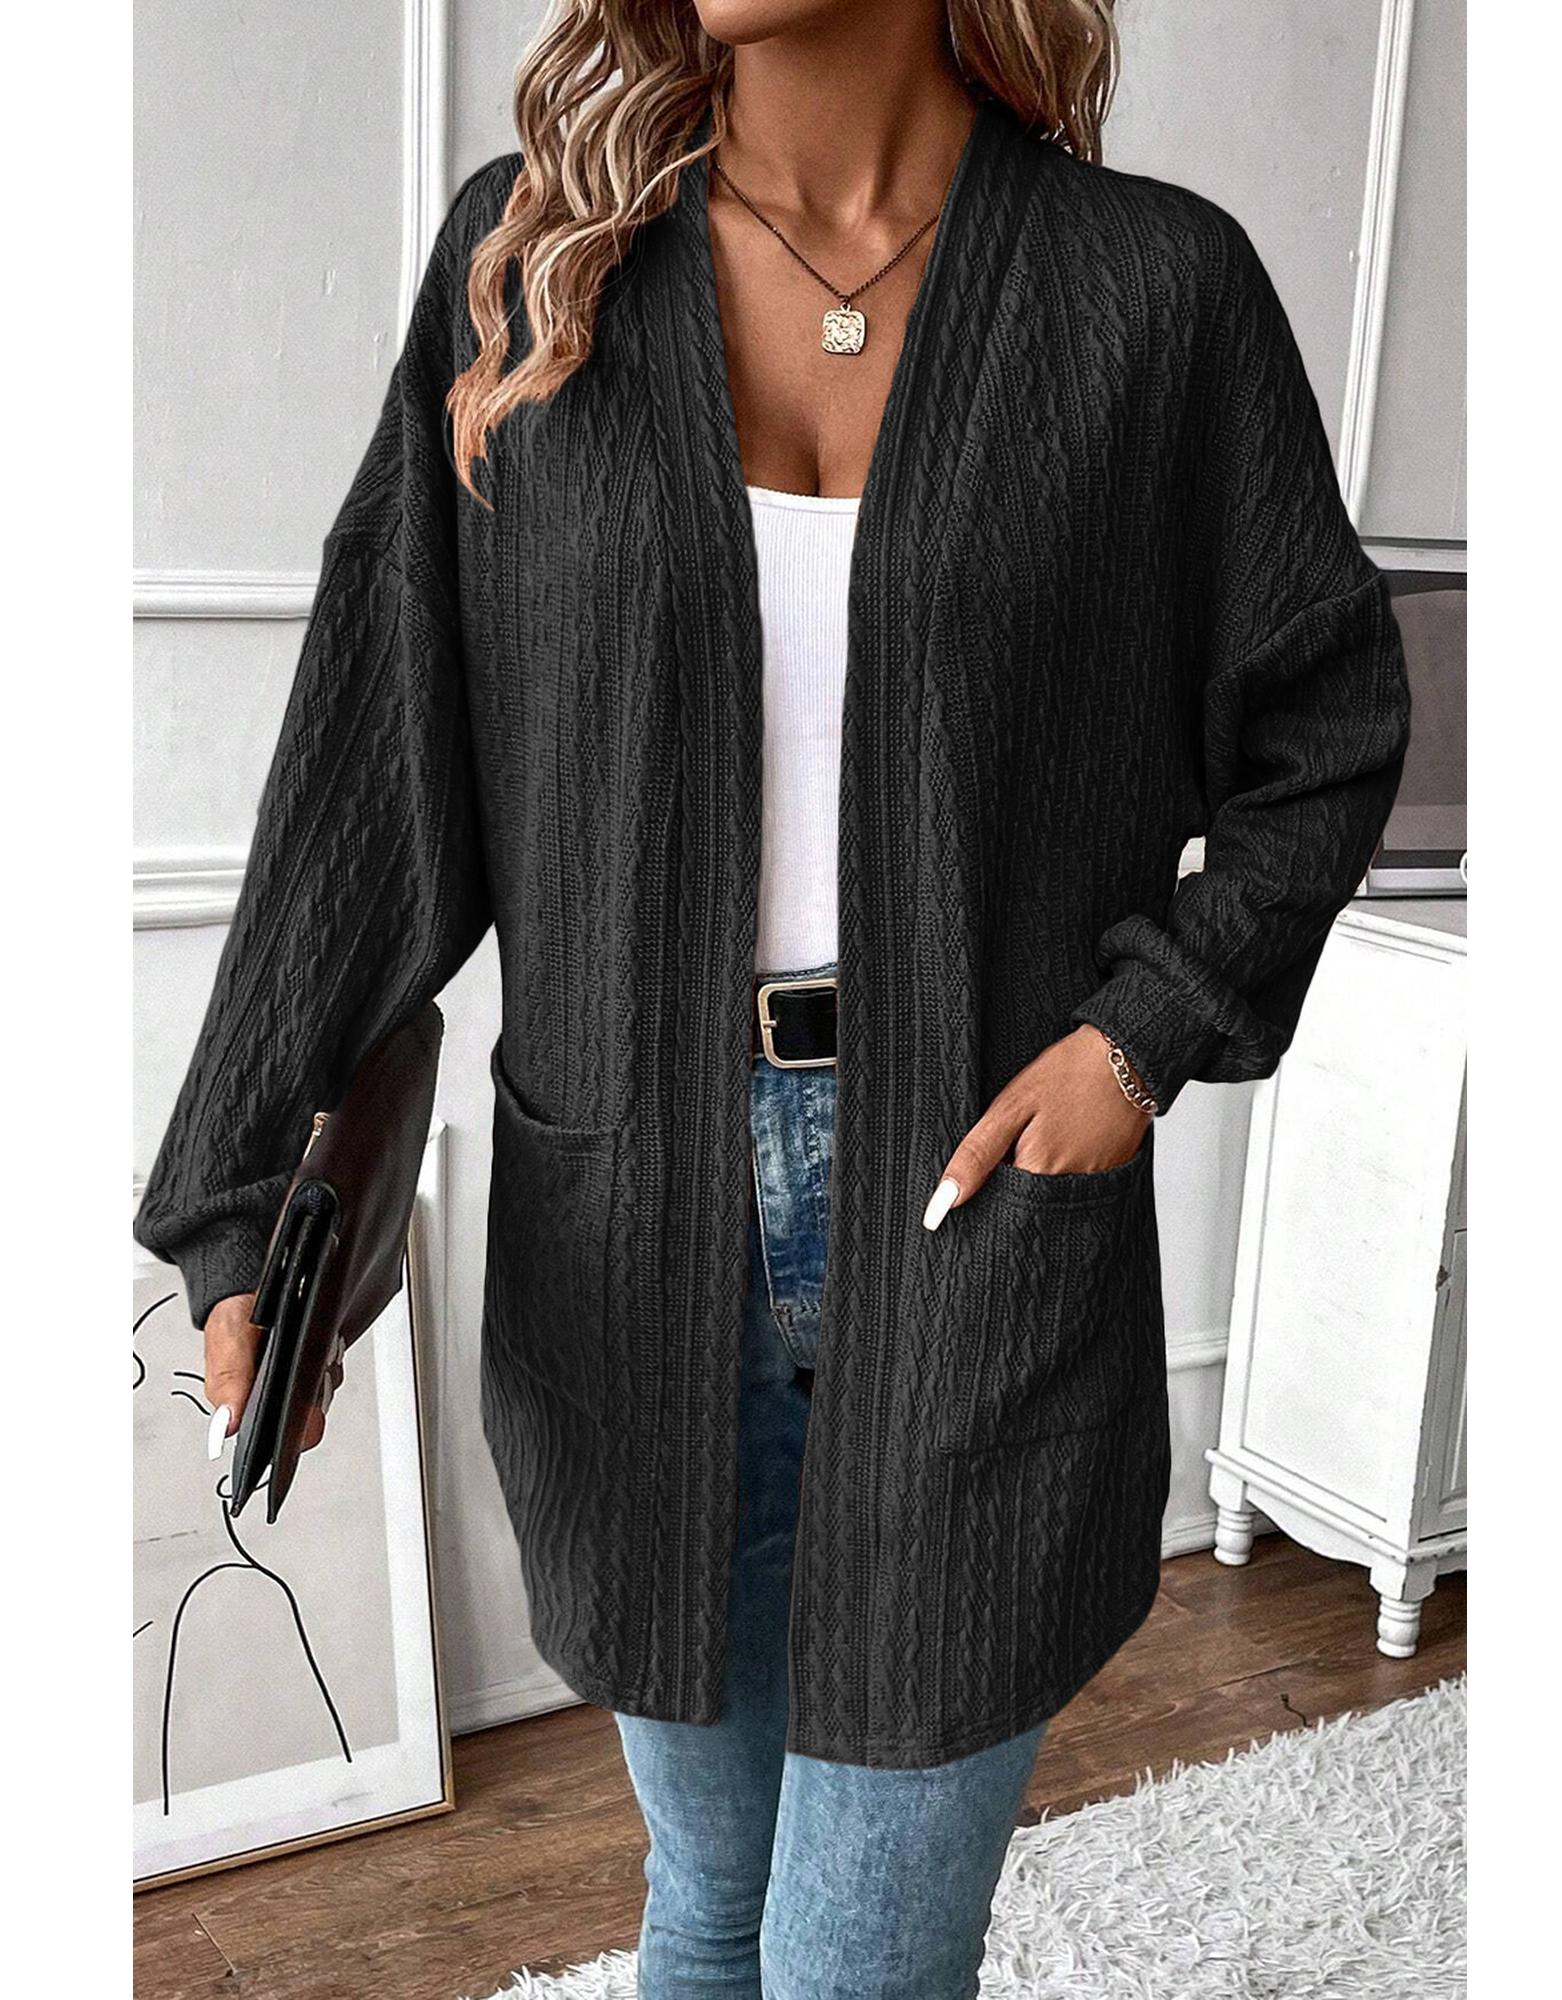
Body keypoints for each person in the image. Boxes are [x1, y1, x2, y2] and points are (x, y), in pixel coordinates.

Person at [133, 2, 1410, 1993]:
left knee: (853, 1963)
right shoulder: (534, 259)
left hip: (980, 1216)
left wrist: (1141, 1036)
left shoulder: (1150, 297)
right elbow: (378, 761)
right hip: (628, 1227)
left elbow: (1322, 727)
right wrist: (241, 1193)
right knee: (713, 1901)